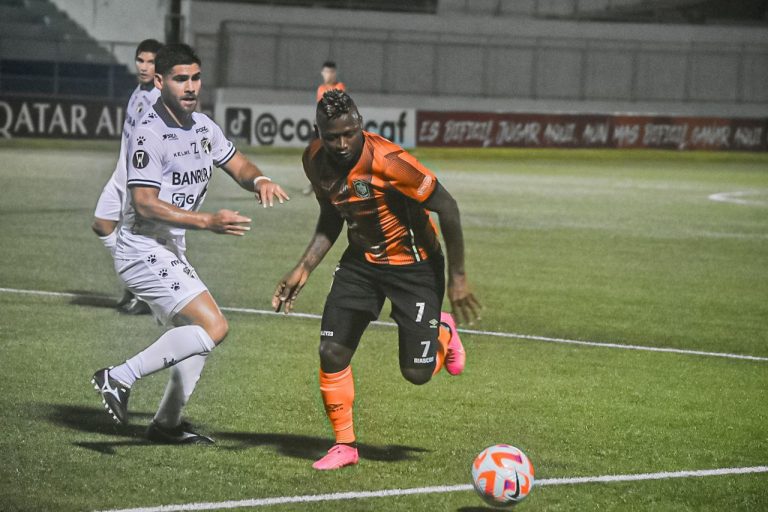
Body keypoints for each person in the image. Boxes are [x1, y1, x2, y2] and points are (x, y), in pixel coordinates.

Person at [91, 43, 290, 444]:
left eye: (196, 78)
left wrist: (259, 180)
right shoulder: (149, 133)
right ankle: (118, 377)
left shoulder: (202, 126)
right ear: (160, 81)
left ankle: (166, 425)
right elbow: (144, 204)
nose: (191, 86)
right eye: (181, 79)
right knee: (214, 326)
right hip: (142, 248)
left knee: (197, 336)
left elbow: (238, 163)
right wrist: (208, 221)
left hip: (167, 248)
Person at [273, 90, 480, 470]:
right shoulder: (314, 160)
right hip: (362, 263)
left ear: (360, 126)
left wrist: (458, 278)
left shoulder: (390, 162)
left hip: (414, 267)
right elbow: (332, 214)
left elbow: (447, 206)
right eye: (332, 136)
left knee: (416, 373)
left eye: (349, 134)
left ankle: (444, 330)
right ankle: (345, 446)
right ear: (318, 133)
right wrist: (304, 266)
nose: (341, 144)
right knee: (331, 350)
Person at [91, 39, 163, 314]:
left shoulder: (159, 98)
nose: (144, 67)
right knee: (102, 224)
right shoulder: (138, 91)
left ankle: (145, 295)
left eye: (150, 62)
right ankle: (132, 285)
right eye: (140, 60)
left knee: (140, 242)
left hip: (138, 181)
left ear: (159, 67)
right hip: (120, 175)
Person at [303, 61, 348, 196]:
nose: (329, 75)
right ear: (322, 73)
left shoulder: (340, 87)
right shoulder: (320, 89)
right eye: (327, 72)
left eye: (331, 72)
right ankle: (315, 184)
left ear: (335, 73)